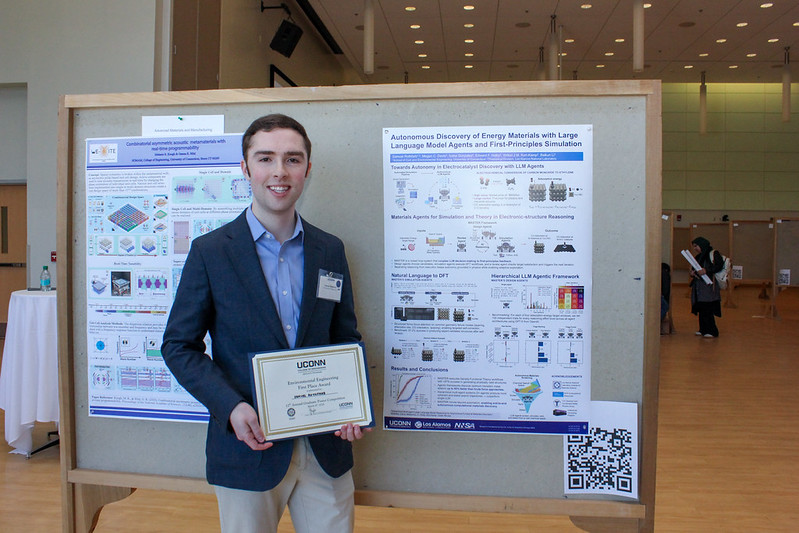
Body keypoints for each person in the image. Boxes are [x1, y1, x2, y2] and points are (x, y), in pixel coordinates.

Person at [162, 114, 367, 533]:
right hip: (247, 447)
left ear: (307, 169)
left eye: (292, 159)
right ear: (245, 167)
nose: (279, 172)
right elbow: (178, 346)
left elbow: (345, 337)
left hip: (324, 445)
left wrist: (352, 403)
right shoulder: (211, 252)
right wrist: (230, 407)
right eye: (265, 158)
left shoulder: (330, 249)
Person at [688, 236, 723, 338]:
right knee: (701, 307)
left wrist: (706, 270)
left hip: (709, 285)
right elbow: (695, 269)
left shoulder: (713, 254)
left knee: (707, 307)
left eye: (696, 246)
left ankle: (711, 330)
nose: (695, 249)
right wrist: (693, 273)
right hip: (699, 286)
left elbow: (718, 266)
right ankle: (703, 329)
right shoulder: (699, 257)